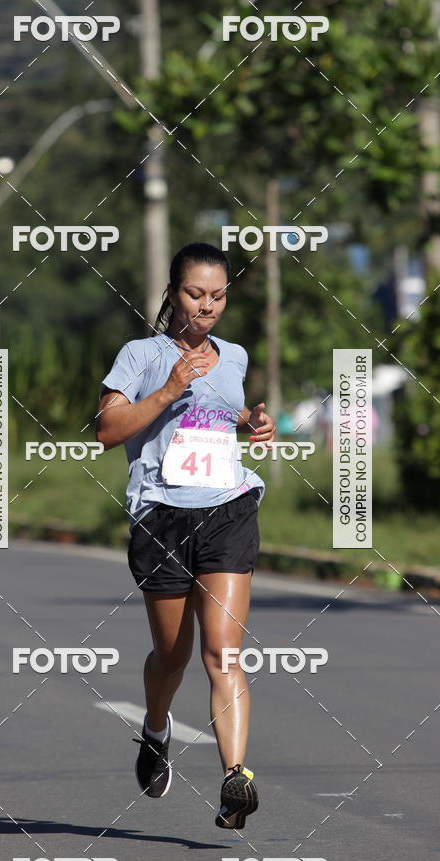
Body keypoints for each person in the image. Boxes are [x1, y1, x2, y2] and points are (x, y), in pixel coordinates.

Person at [96, 242, 276, 829]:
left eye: (218, 296)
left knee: (222, 650)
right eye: (195, 294)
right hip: (161, 516)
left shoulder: (235, 356)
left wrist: (253, 423)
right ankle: (155, 731)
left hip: (227, 508)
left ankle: (235, 778)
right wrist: (170, 387)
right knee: (171, 655)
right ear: (172, 292)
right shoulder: (140, 354)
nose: (207, 307)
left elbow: (225, 417)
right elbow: (106, 430)